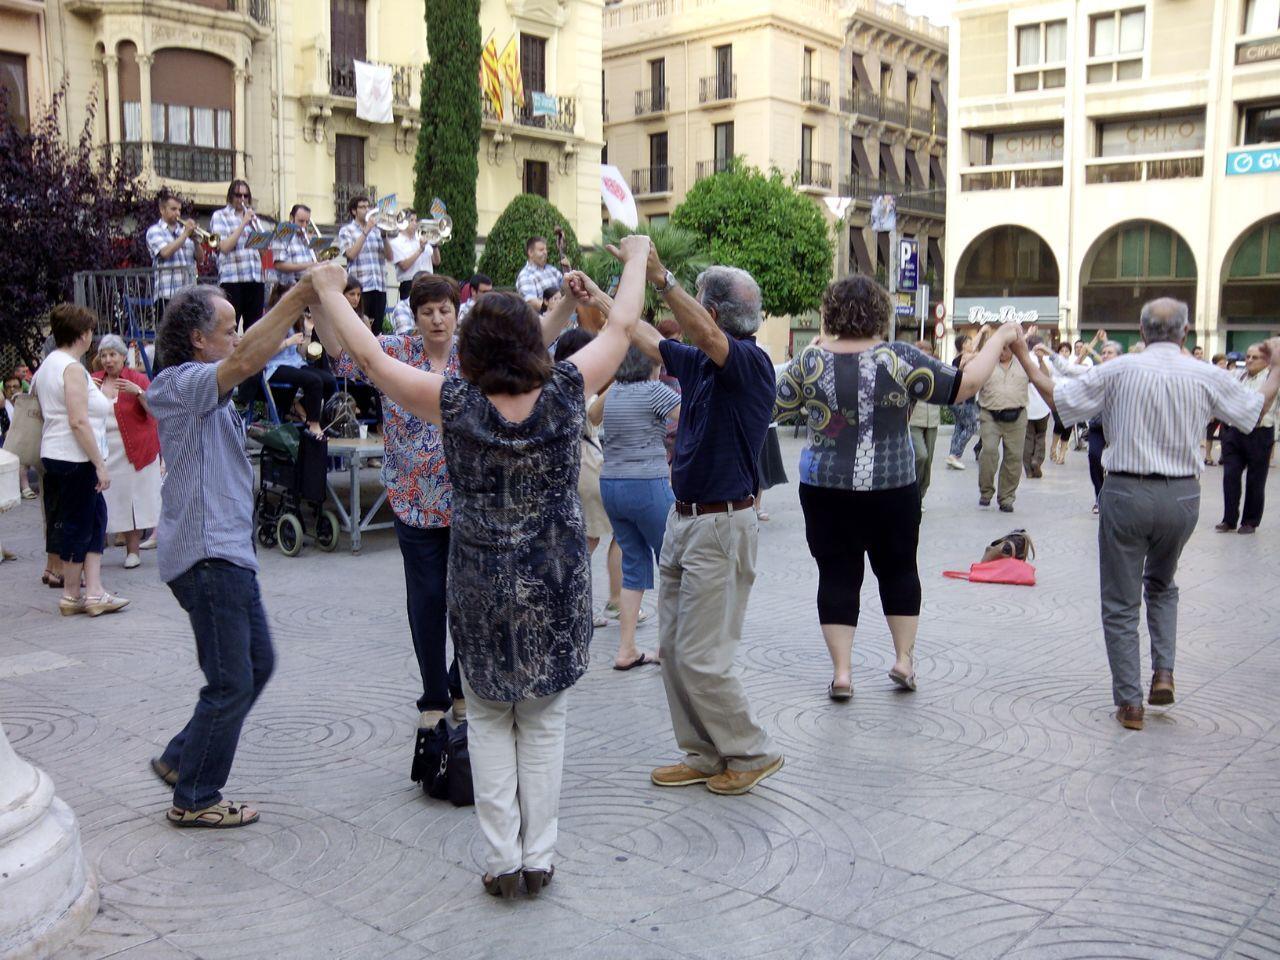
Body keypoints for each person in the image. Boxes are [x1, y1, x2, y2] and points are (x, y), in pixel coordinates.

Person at [309, 237, 651, 898]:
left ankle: (501, 860)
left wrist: (328, 290)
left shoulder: (455, 402)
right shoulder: (567, 392)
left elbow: (373, 360)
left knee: (490, 720)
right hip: (554, 581)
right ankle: (540, 855)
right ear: (533, 344)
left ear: (471, 349)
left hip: (480, 582)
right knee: (544, 721)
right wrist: (634, 258)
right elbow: (623, 324)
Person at [1013, 299, 1280, 731]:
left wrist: (1026, 355)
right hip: (1182, 497)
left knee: (1120, 601)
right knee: (1162, 583)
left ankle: (1130, 703)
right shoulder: (1204, 373)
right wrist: (1278, 369)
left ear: (1141, 331)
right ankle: (1164, 672)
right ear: (1186, 332)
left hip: (1126, 492)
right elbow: (1252, 413)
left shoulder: (1119, 370)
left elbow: (1059, 398)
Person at [776, 277, 1017, 701]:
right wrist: (999, 337)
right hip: (892, 485)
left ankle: (842, 673)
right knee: (900, 570)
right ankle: (904, 659)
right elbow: (967, 385)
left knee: (835, 574)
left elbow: (772, 406)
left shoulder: (807, 362)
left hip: (825, 486)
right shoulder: (900, 358)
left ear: (829, 313)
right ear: (880, 313)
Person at [147, 277, 317, 828]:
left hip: (226, 556)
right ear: (198, 339)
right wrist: (301, 295)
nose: (236, 336)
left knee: (256, 665)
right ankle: (195, 796)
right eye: (227, 328)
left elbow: (249, 355)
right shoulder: (178, 382)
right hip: (206, 556)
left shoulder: (203, 384)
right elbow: (246, 360)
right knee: (231, 680)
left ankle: (180, 759)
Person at [621, 249, 783, 798]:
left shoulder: (748, 363)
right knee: (671, 648)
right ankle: (705, 752)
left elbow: (709, 342)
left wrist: (661, 278)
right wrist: (594, 297)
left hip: (721, 527)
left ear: (710, 313)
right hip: (684, 520)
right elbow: (644, 338)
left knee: (701, 656)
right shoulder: (700, 364)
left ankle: (749, 750)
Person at [319, 274, 493, 729]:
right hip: (413, 499)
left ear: (458, 312)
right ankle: (434, 696)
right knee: (428, 597)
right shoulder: (395, 351)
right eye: (428, 311)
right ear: (414, 317)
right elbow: (340, 357)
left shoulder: (475, 356)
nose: (438, 319)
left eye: (445, 310)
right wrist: (318, 297)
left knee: (471, 598)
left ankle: (460, 684)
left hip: (469, 501)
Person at [31, 305, 130, 617]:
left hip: (58, 452)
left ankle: (90, 591)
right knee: (83, 522)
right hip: (75, 455)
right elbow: (78, 420)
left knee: (91, 518)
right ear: (84, 334)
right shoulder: (71, 368)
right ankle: (77, 594)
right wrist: (99, 463)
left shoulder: (51, 364)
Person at [597, 345, 680, 670]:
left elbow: (592, 416)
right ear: (650, 365)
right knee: (673, 562)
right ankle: (667, 647)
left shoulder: (616, 391)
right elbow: (691, 416)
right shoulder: (654, 390)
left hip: (611, 484)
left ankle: (626, 649)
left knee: (634, 563)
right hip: (646, 483)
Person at [552, 328, 624, 630]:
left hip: (576, 467)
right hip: (588, 467)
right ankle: (579, 607)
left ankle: (606, 602)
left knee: (589, 541)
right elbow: (593, 417)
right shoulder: (576, 386)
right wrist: (621, 378)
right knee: (587, 543)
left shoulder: (553, 385)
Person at [91, 336, 161, 568]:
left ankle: (133, 552)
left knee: (132, 504)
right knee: (102, 502)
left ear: (123, 357)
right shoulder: (93, 381)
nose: (108, 360)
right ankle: (94, 554)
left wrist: (139, 392)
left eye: (113, 355)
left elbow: (155, 411)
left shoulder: (137, 379)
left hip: (133, 450)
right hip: (103, 452)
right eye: (104, 355)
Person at [1216, 342, 1279, 534]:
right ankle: (1229, 519)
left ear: (1267, 361)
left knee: (1255, 479)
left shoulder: (1272, 378)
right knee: (1230, 476)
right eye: (1248, 357)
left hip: (1260, 432)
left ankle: (1250, 521)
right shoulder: (1239, 376)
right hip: (1235, 432)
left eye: (1255, 357)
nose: (1250, 360)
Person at [262, 287, 338, 439]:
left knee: (329, 380)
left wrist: (309, 331)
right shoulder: (271, 320)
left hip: (295, 363)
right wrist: (288, 342)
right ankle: (313, 424)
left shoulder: (296, 319)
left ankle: (324, 422)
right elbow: (265, 351)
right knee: (313, 381)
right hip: (274, 365)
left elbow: (303, 353)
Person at [977, 329, 1030, 512]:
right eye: (999, 348)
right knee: (989, 452)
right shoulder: (986, 364)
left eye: (1006, 348)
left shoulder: (1025, 363)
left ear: (1013, 349)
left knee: (1014, 458)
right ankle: (985, 492)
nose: (1001, 352)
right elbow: (971, 378)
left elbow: (1041, 376)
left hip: (1017, 416)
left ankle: (1006, 498)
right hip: (990, 414)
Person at [210, 179, 266, 332]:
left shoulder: (254, 219)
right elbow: (225, 247)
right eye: (238, 195)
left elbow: (262, 251)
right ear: (230, 196)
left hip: (255, 278)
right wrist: (243, 223)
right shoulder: (220, 216)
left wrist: (264, 242)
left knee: (254, 328)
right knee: (229, 328)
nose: (242, 199)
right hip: (232, 279)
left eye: (246, 196)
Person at [338, 195, 392, 330]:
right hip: (360, 287)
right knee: (359, 328)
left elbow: (390, 257)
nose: (367, 210)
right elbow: (350, 254)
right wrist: (366, 231)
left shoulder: (378, 231)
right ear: (353, 211)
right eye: (362, 207)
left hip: (379, 285)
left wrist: (385, 236)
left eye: (368, 206)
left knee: (377, 329)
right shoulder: (346, 231)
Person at [145, 190, 200, 318]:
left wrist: (196, 242)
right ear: (162, 210)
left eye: (179, 210)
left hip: (188, 295)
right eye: (173, 209)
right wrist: (185, 234)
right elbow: (165, 252)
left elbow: (200, 259)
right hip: (166, 294)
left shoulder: (183, 232)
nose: (178, 213)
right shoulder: (154, 231)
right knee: (168, 336)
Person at [908, 339, 942, 503]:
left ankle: (920, 496)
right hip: (914, 419)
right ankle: (912, 493)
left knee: (928, 462)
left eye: (927, 352)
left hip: (932, 419)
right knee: (920, 455)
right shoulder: (908, 369)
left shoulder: (937, 369)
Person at [944, 332, 978, 470]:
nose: (972, 345)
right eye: (969, 343)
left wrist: (981, 332)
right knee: (971, 427)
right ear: (963, 345)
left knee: (960, 426)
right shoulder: (965, 357)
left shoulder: (956, 358)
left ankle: (952, 455)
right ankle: (955, 455)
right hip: (964, 399)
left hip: (956, 399)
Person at [388, 209, 439, 300]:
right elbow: (404, 266)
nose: (415, 223)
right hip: (410, 284)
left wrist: (435, 246)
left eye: (416, 220)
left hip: (429, 281)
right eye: (411, 220)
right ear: (403, 222)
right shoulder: (396, 242)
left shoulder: (422, 238)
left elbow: (436, 261)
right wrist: (420, 250)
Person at [1022, 336, 1051, 479]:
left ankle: (1028, 469)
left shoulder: (1024, 359)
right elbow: (1046, 378)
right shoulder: (1045, 360)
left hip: (1027, 408)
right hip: (1043, 407)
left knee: (1027, 439)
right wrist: (1041, 360)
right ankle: (1036, 460)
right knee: (1040, 437)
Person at [3, 373, 37, 499]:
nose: (12, 390)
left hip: (27, 440)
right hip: (9, 443)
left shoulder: (27, 404)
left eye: (15, 386)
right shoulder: (3, 407)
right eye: (8, 387)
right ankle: (25, 486)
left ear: (21, 388)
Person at [273, 204, 319, 290]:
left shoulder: (305, 238)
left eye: (307, 222)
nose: (304, 226)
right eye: (301, 221)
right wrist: (308, 265)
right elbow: (279, 265)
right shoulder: (282, 236)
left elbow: (316, 261)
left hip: (309, 285)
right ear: (291, 218)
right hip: (290, 287)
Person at [515, 236, 564, 311]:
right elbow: (531, 302)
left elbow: (567, 287)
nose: (545, 252)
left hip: (561, 316)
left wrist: (568, 269)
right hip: (541, 320)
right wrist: (555, 310)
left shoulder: (552, 270)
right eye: (541, 250)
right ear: (530, 253)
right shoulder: (525, 275)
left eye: (546, 249)